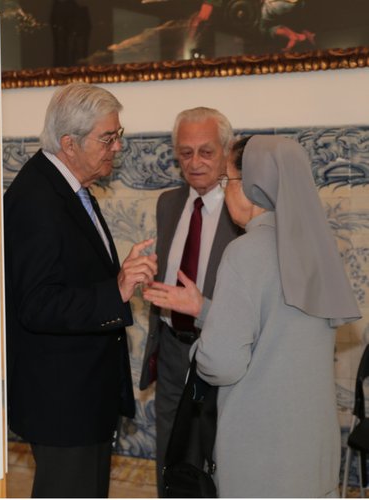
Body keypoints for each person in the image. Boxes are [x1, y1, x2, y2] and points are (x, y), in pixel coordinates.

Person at [144, 135, 361, 497]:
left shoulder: (244, 252)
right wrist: (206, 310)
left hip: (261, 446)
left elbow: (221, 364)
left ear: (252, 186)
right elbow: (282, 326)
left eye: (228, 180)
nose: (227, 190)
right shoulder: (317, 249)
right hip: (312, 443)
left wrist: (199, 351)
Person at [4, 82, 157, 498]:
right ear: (69, 143)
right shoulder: (37, 200)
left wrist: (118, 278)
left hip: (82, 395)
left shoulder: (67, 188)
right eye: (107, 138)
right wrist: (117, 290)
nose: (116, 147)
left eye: (118, 135)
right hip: (61, 402)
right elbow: (37, 304)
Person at [138, 106, 243, 496]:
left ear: (226, 150)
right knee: (170, 453)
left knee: (218, 452)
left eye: (206, 152)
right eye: (185, 153)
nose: (195, 163)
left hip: (220, 349)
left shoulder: (243, 211)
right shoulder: (168, 203)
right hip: (170, 350)